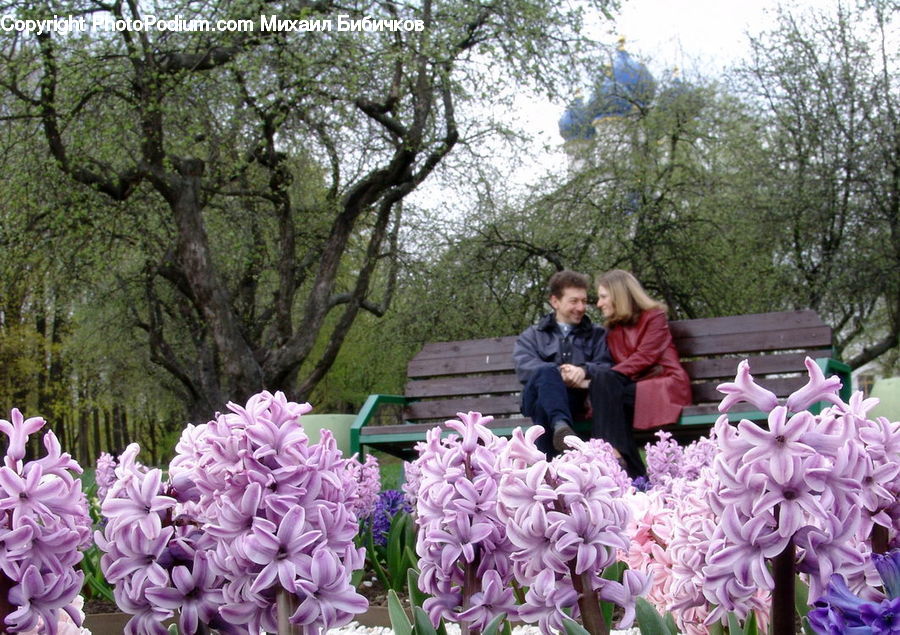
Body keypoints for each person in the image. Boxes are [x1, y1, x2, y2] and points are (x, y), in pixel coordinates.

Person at [589, 269, 692, 477]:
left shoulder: (654, 317)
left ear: (620, 295)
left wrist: (607, 379)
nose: (599, 304)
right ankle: (628, 466)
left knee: (607, 389)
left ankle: (605, 458)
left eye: (603, 297)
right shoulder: (612, 329)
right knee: (609, 394)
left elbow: (646, 356)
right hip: (631, 391)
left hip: (664, 385)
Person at [513, 270, 613, 457]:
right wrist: (559, 372)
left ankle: (551, 456)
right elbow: (524, 367)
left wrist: (583, 370)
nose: (581, 307)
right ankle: (561, 427)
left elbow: (607, 366)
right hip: (533, 398)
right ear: (555, 301)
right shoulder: (533, 335)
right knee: (546, 371)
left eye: (584, 301)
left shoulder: (597, 334)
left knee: (544, 407)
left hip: (576, 401)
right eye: (574, 301)